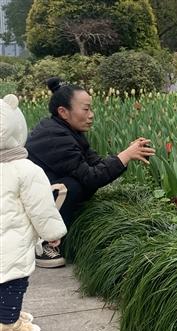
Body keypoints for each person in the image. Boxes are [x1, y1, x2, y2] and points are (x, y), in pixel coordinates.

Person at [25, 77, 155, 268]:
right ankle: (44, 243)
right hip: (26, 202)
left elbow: (96, 166)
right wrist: (125, 156)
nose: (91, 115)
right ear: (63, 112)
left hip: (37, 196)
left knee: (78, 185)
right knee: (71, 187)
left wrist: (125, 154)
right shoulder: (55, 136)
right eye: (85, 109)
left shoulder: (67, 131)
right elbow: (91, 178)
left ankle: (61, 234)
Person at [0, 94, 67, 331]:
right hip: (12, 239)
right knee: (13, 279)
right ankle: (8, 325)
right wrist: (52, 235)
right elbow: (41, 208)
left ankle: (5, 314)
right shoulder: (26, 169)